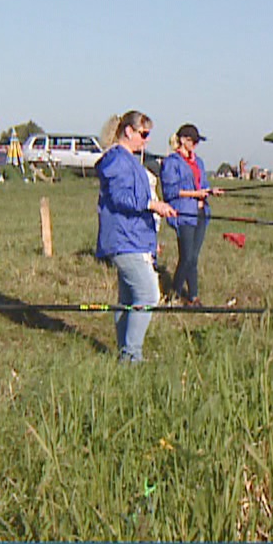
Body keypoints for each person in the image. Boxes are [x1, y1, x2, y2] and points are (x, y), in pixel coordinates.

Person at [96, 110, 177, 362]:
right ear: (128, 131)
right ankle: (132, 356)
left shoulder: (129, 160)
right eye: (143, 134)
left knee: (129, 298)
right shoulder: (117, 161)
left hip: (135, 238)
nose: (147, 139)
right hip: (123, 239)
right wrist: (153, 205)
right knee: (148, 295)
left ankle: (125, 352)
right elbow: (121, 199)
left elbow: (138, 201)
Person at [159, 123, 215, 305]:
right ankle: (174, 294)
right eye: (193, 141)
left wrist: (210, 191)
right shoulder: (171, 163)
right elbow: (170, 191)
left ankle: (193, 296)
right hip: (184, 213)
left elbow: (203, 184)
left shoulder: (199, 162)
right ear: (183, 140)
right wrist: (194, 194)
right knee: (187, 257)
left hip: (201, 212)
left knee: (193, 257)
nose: (196, 145)